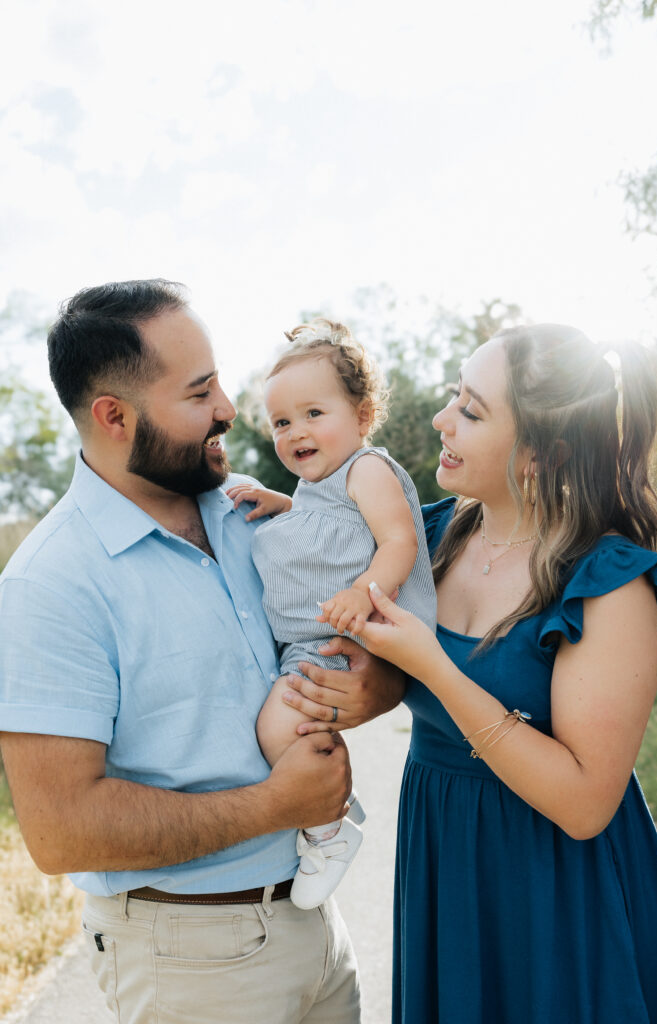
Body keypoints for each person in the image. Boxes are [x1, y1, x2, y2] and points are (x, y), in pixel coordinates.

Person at [0, 280, 403, 1024]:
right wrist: (277, 806)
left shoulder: (253, 508)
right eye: (198, 392)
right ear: (113, 417)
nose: (228, 408)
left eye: (217, 379)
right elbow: (61, 830)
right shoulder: (48, 584)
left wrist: (370, 684)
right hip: (186, 958)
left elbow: (369, 639)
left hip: (314, 927)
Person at [340, 323, 657, 1023]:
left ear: (540, 453)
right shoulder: (428, 537)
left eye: (470, 410)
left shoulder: (607, 584)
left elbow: (586, 805)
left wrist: (433, 667)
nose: (441, 421)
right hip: (444, 864)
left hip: (558, 889)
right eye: (452, 399)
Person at [226, 319, 436, 910]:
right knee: (284, 725)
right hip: (314, 637)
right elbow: (334, 526)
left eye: (314, 413)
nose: (296, 432)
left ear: (363, 416)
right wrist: (283, 504)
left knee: (278, 728)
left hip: (340, 632)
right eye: (282, 422)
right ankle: (329, 815)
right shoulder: (322, 485)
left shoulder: (369, 468)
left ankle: (328, 829)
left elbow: (396, 541)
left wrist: (366, 590)